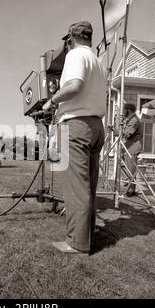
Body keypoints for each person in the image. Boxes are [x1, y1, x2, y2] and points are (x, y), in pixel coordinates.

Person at [42, 21, 106, 255]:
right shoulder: (97, 61)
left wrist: (52, 101)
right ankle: (86, 238)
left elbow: (74, 85)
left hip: (78, 126)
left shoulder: (75, 55)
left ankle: (76, 243)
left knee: (77, 189)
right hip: (97, 126)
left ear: (71, 38)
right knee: (88, 188)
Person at [122, 103, 142, 197]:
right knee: (128, 169)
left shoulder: (134, 120)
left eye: (124, 110)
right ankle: (129, 188)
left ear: (128, 110)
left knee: (131, 170)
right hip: (128, 147)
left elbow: (127, 133)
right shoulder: (130, 119)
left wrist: (119, 129)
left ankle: (131, 190)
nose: (123, 112)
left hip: (132, 148)